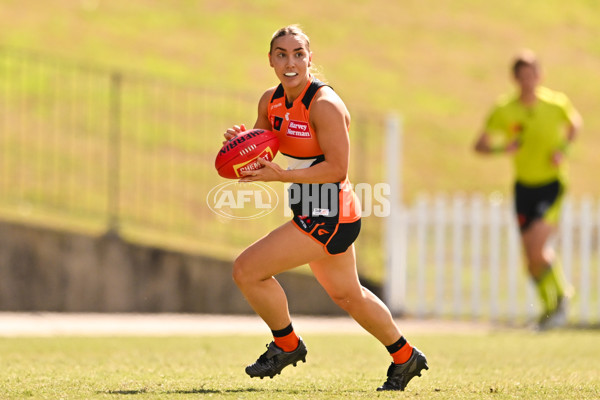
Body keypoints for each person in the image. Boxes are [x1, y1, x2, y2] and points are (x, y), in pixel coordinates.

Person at [223, 25, 428, 391]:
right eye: (282, 54)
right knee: (349, 295)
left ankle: (286, 345)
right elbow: (260, 152)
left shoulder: (325, 105)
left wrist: (282, 176)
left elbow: (337, 169)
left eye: (298, 53)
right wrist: (241, 145)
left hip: (330, 213)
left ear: (310, 58)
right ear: (270, 60)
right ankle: (405, 356)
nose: (291, 62)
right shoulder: (269, 101)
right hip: (312, 210)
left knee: (246, 270)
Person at [474, 49, 582, 330]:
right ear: (515, 79)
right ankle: (549, 309)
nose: (527, 81)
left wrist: (563, 150)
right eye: (522, 76)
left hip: (551, 184)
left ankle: (560, 300)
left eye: (532, 74)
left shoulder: (556, 104)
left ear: (540, 75)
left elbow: (575, 125)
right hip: (524, 187)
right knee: (529, 259)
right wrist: (502, 148)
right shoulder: (504, 109)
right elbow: (480, 145)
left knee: (537, 249)